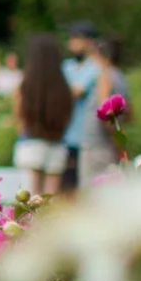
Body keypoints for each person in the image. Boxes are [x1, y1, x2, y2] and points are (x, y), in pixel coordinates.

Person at [13, 33, 75, 196]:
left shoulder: (26, 85)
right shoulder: (63, 87)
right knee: (50, 199)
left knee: (29, 198)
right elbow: (68, 116)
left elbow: (19, 117)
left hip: (30, 142)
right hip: (56, 144)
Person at [79, 35, 129, 184]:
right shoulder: (120, 77)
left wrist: (115, 137)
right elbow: (130, 114)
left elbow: (105, 112)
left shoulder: (104, 77)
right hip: (111, 144)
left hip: (96, 143)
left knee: (91, 190)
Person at [60, 22, 101, 193]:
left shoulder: (94, 66)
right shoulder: (66, 65)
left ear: (89, 42)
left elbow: (77, 91)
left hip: (83, 136)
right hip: (63, 134)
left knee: (78, 187)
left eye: (77, 39)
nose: (72, 43)